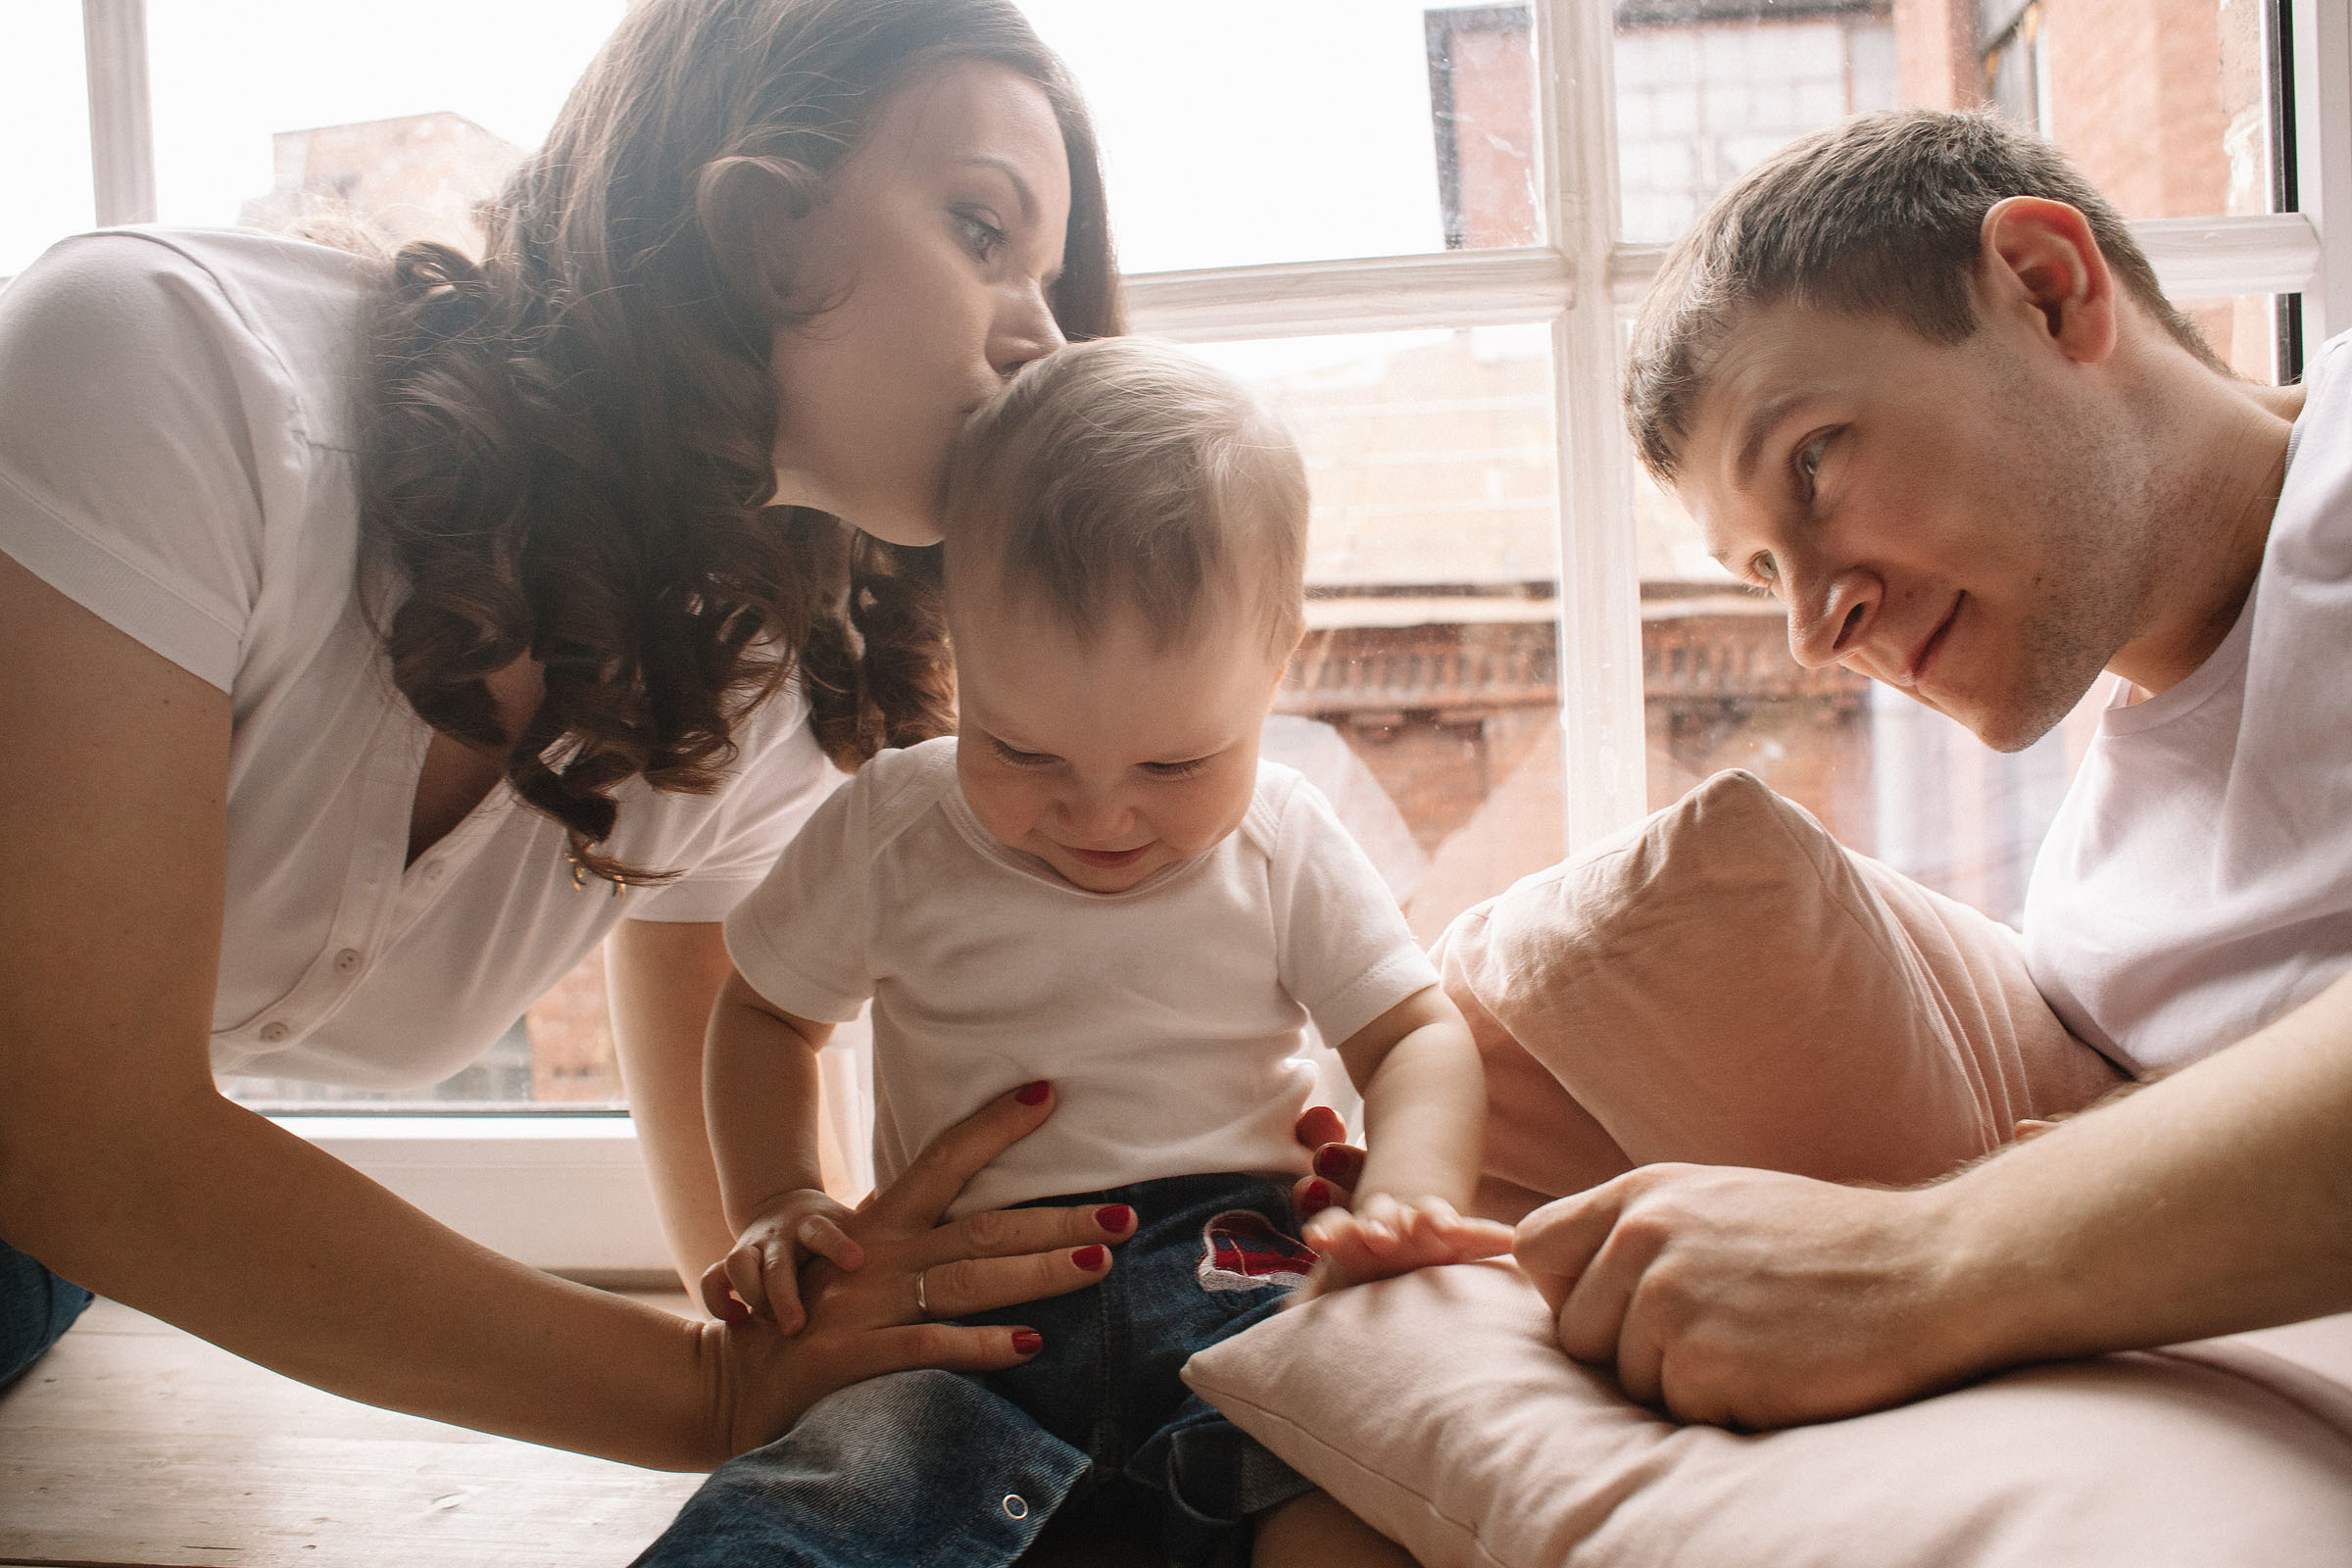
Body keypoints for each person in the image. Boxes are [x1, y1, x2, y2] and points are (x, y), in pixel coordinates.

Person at [0, 0, 1363, 1472]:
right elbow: (81, 1134)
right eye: (983, 229)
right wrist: (705, 1394)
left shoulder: (760, 693)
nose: (1041, 341)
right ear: (763, 220)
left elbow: (759, 1223)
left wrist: (873, 1358)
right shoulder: (164, 369)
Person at [1506, 108, 2352, 1430]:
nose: (1812, 629)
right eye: (1762, 573)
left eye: (1815, 461)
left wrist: (1911, 1267)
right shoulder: (2093, 919)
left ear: (2048, 290)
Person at [632, 336, 1513, 1566]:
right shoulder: (894, 824)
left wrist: (1408, 1197)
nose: (1101, 816)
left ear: (1274, 671)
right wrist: (781, 1194)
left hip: (1237, 1288)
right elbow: (767, 1013)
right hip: (954, 1338)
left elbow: (1414, 1034)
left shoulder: (1280, 835)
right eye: (1023, 750)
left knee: (1359, 1491)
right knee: (794, 1516)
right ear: (958, 647)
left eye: (1174, 762)